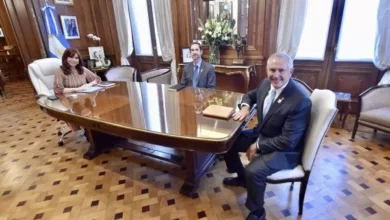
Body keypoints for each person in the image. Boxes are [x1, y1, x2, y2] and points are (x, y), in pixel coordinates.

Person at [223, 52, 312, 220]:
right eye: (272, 70)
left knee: (254, 171)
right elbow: (249, 95)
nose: (276, 75)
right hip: (263, 133)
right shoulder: (265, 84)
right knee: (230, 141)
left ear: (290, 72)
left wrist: (257, 146)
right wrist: (245, 107)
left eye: (281, 70)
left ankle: (258, 212)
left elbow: (289, 141)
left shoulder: (300, 100)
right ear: (266, 70)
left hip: (286, 151)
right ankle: (241, 178)